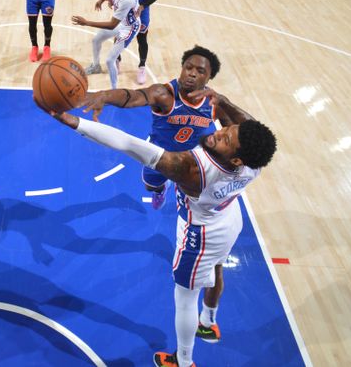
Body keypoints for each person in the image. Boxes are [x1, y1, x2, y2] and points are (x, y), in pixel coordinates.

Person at [37, 91, 277, 367]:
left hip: (200, 235)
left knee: (185, 298)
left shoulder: (190, 169)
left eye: (225, 139)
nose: (218, 133)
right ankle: (209, 321)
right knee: (217, 268)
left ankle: (183, 361)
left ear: (236, 160)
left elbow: (129, 145)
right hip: (229, 218)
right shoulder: (254, 160)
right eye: (227, 129)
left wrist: (74, 123)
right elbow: (249, 123)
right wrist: (222, 101)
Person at [83, 45, 223, 212]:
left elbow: (238, 127)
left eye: (200, 71)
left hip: (190, 155)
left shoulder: (214, 103)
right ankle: (161, 190)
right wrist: (105, 95)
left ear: (209, 78)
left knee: (194, 190)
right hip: (159, 153)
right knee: (151, 187)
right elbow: (133, 97)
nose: (192, 73)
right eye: (188, 67)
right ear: (182, 68)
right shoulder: (164, 94)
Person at [73, 0, 140, 90]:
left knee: (110, 60)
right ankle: (96, 66)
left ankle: (114, 89)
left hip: (129, 28)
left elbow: (111, 25)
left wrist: (86, 22)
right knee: (96, 40)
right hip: (121, 22)